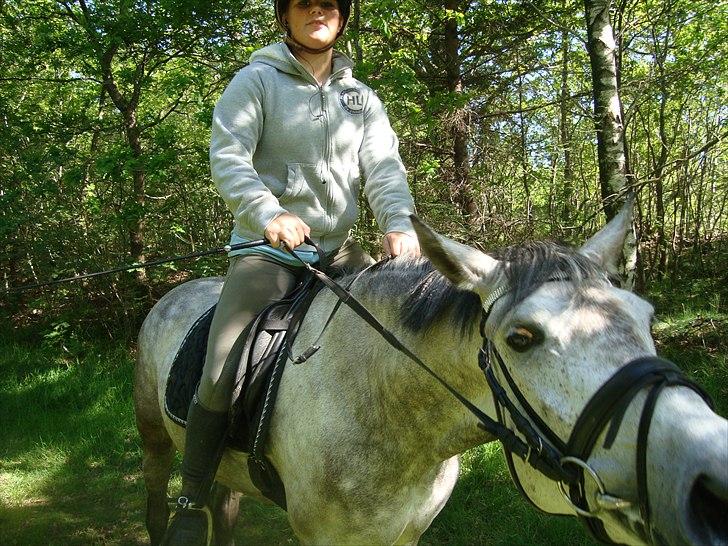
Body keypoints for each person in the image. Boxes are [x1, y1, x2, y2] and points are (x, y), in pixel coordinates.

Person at [162, 0, 419, 543]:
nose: (317, 12)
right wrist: (268, 213)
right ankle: (190, 496)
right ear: (286, 15)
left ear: (342, 17)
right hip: (270, 252)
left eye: (328, 4)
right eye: (304, 3)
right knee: (224, 359)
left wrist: (399, 222)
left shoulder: (361, 98)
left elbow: (384, 168)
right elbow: (229, 156)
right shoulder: (255, 81)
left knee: (396, 333)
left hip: (339, 253)